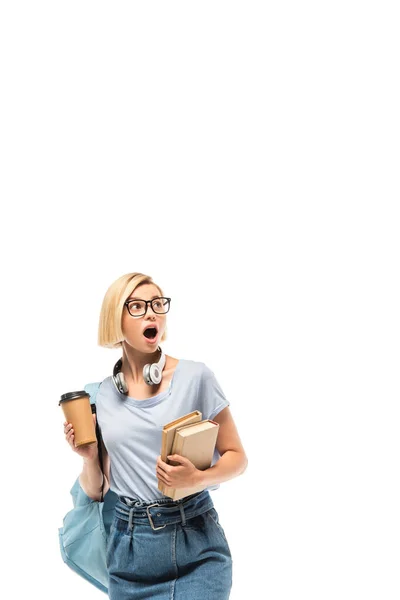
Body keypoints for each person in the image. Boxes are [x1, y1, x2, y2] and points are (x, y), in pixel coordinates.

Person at [63, 271, 248, 600]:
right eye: (136, 306)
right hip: (130, 551)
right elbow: (97, 490)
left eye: (158, 304)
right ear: (114, 319)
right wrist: (89, 458)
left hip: (197, 541)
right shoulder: (102, 395)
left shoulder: (195, 377)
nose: (151, 313)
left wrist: (197, 479)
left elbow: (237, 458)